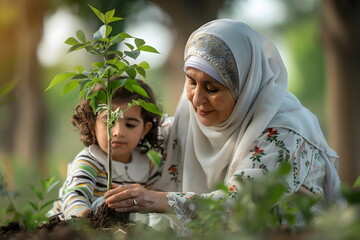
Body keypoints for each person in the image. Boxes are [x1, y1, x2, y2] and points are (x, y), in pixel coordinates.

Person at [103, 19, 342, 232]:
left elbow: (239, 205)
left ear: (245, 87)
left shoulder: (284, 133)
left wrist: (157, 201)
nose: (197, 99)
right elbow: (133, 138)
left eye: (212, 88)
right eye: (191, 81)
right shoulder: (189, 116)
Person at [48, 79, 163, 220]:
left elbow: (152, 205)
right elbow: (75, 196)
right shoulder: (89, 161)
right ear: (92, 125)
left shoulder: (147, 166)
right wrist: (83, 218)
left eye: (130, 125)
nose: (118, 132)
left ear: (145, 130)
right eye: (109, 122)